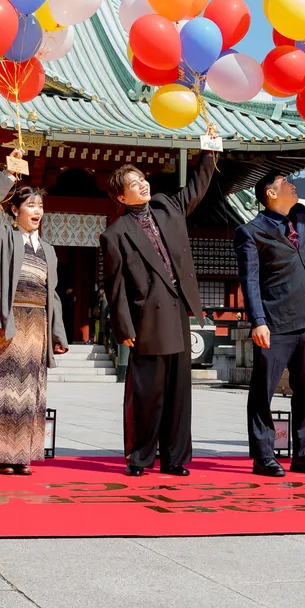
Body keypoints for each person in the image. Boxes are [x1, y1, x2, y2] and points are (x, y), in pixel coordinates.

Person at [100, 151, 215, 477]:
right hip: (147, 318)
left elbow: (196, 188)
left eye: (142, 179)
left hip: (178, 310)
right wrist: (122, 326)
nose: (143, 184)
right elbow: (115, 286)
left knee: (179, 392)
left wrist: (208, 153)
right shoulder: (115, 234)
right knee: (148, 392)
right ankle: (139, 457)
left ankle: (174, 458)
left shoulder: (167, 207)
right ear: (122, 196)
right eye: (134, 184)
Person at [236, 162, 305, 478]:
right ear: (271, 193)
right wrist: (258, 320)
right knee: (263, 391)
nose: (294, 186)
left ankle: (304, 453)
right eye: (286, 183)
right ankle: (264, 456)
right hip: (274, 322)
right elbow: (250, 280)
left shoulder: (301, 218)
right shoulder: (250, 232)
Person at [0, 150, 69, 475]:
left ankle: (25, 454)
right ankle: (4, 455)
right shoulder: (3, 236)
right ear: (14, 210)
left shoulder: (49, 250)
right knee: (4, 389)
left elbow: (51, 294)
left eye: (40, 206)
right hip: (8, 320)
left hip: (37, 325)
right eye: (31, 205)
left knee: (31, 390)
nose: (37, 211)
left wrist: (58, 334)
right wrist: (11, 173)